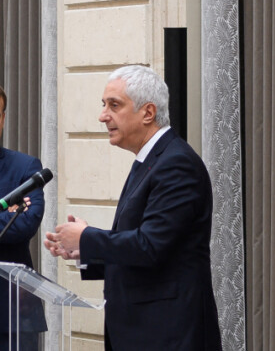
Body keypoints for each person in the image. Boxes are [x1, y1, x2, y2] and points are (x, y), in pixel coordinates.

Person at [44, 65, 222, 351]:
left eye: (114, 105)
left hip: (168, 334)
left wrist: (87, 237)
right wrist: (84, 250)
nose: (103, 116)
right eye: (104, 105)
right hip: (144, 332)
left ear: (148, 112)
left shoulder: (176, 163)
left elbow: (151, 246)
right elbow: (144, 251)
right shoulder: (150, 160)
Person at [0, 86, 47, 350]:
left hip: (11, 312)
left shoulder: (26, 167)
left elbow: (25, 223)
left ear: (3, 118)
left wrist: (11, 217)